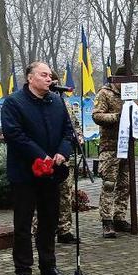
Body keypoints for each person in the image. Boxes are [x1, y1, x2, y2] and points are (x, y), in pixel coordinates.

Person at [0, 62, 73, 275]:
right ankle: (23, 270)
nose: (49, 78)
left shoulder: (57, 101)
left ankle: (48, 266)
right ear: (30, 78)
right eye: (43, 75)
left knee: (49, 221)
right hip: (24, 173)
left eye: (50, 75)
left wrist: (62, 152)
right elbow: (14, 134)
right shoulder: (14, 103)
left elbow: (68, 131)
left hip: (51, 174)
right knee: (23, 224)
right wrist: (42, 156)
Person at [92, 69, 137, 238]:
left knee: (125, 185)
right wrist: (119, 117)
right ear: (117, 80)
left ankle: (120, 217)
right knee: (109, 184)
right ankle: (107, 220)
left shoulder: (131, 95)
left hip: (128, 147)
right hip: (110, 146)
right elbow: (97, 116)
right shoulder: (105, 93)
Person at [55, 73, 82, 245]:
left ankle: (64, 230)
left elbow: (75, 125)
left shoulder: (65, 103)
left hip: (66, 157)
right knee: (44, 197)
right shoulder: (39, 104)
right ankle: (39, 230)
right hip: (47, 158)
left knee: (66, 194)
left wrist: (79, 137)